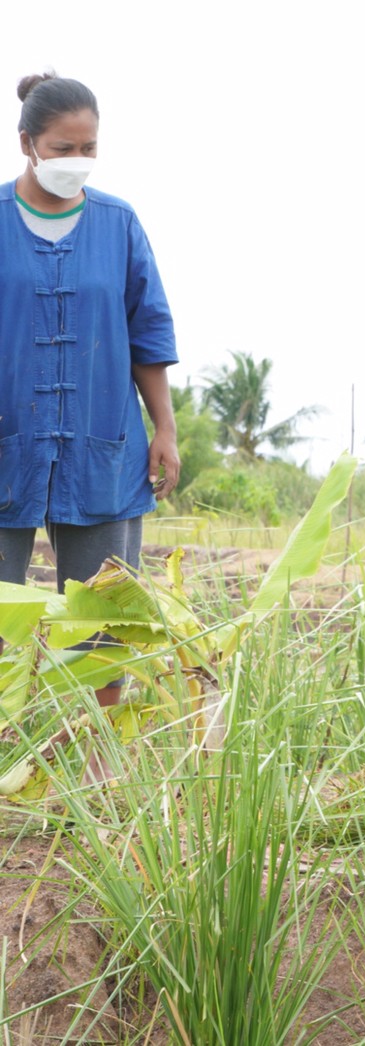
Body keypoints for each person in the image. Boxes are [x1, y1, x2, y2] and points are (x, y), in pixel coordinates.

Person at [0, 72, 179, 712]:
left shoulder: (118, 223)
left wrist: (165, 429)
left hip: (101, 442)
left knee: (104, 614)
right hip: (8, 442)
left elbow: (147, 332)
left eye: (89, 148)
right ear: (27, 142)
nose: (76, 161)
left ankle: (98, 752)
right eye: (62, 148)